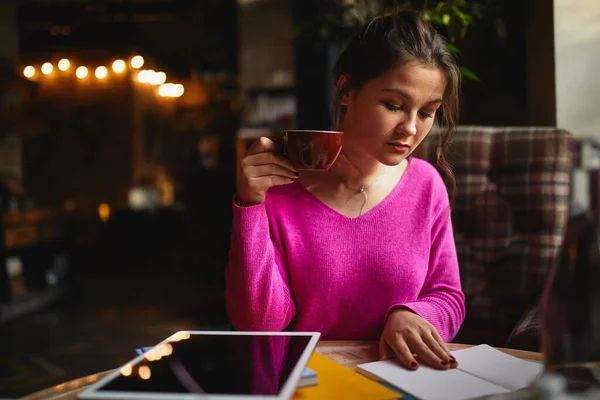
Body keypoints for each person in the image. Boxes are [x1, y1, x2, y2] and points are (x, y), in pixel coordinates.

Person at [225, 9, 466, 371]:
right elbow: (258, 325)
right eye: (394, 106)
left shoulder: (426, 185)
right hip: (308, 384)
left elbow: (448, 296)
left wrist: (413, 314)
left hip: (404, 379)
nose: (411, 129)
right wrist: (249, 206)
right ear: (346, 91)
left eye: (427, 112)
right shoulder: (279, 190)